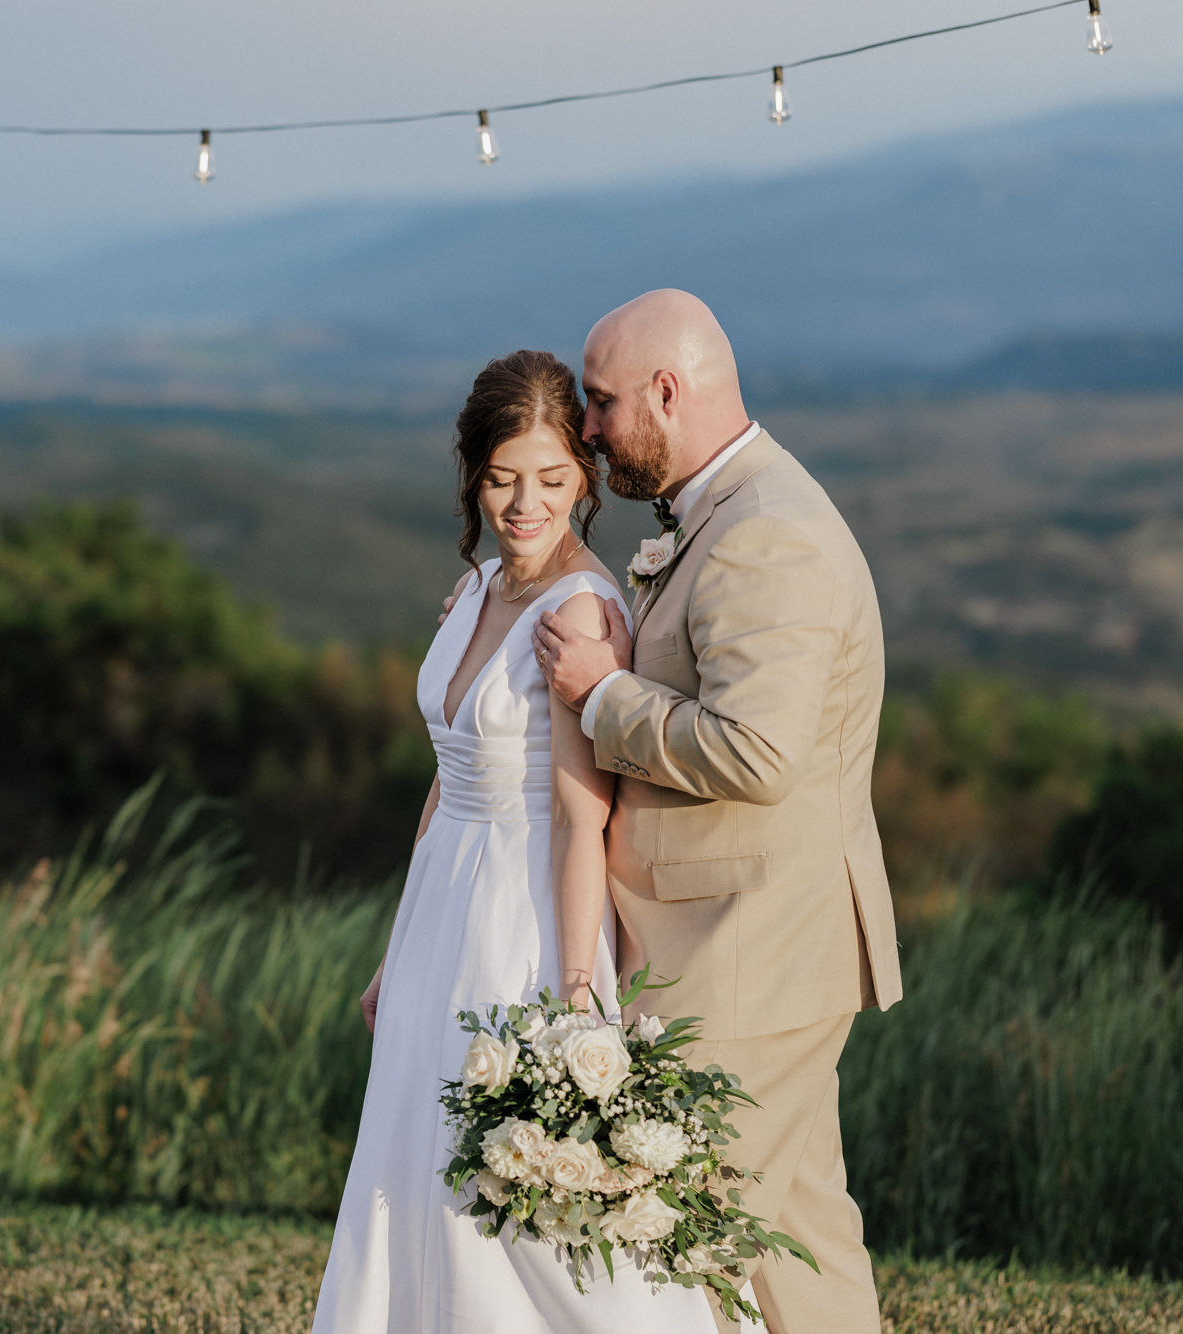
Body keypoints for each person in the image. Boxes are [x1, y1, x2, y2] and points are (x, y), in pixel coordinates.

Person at [310, 350, 715, 1334]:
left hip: (519, 919)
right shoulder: (472, 587)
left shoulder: (579, 611)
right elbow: (445, 784)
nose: (522, 503)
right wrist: (391, 952)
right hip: (438, 914)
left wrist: (578, 993)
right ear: (471, 476)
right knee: (411, 1168)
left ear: (582, 476)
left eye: (547, 478)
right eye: (500, 478)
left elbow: (584, 816)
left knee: (515, 1207)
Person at [530, 289, 903, 1334]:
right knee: (800, 1251)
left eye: (600, 403)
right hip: (741, 941)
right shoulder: (724, 513)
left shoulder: (766, 534)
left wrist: (600, 693)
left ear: (666, 389)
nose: (588, 427)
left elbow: (756, 749)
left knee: (666, 1245)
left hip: (753, 947)